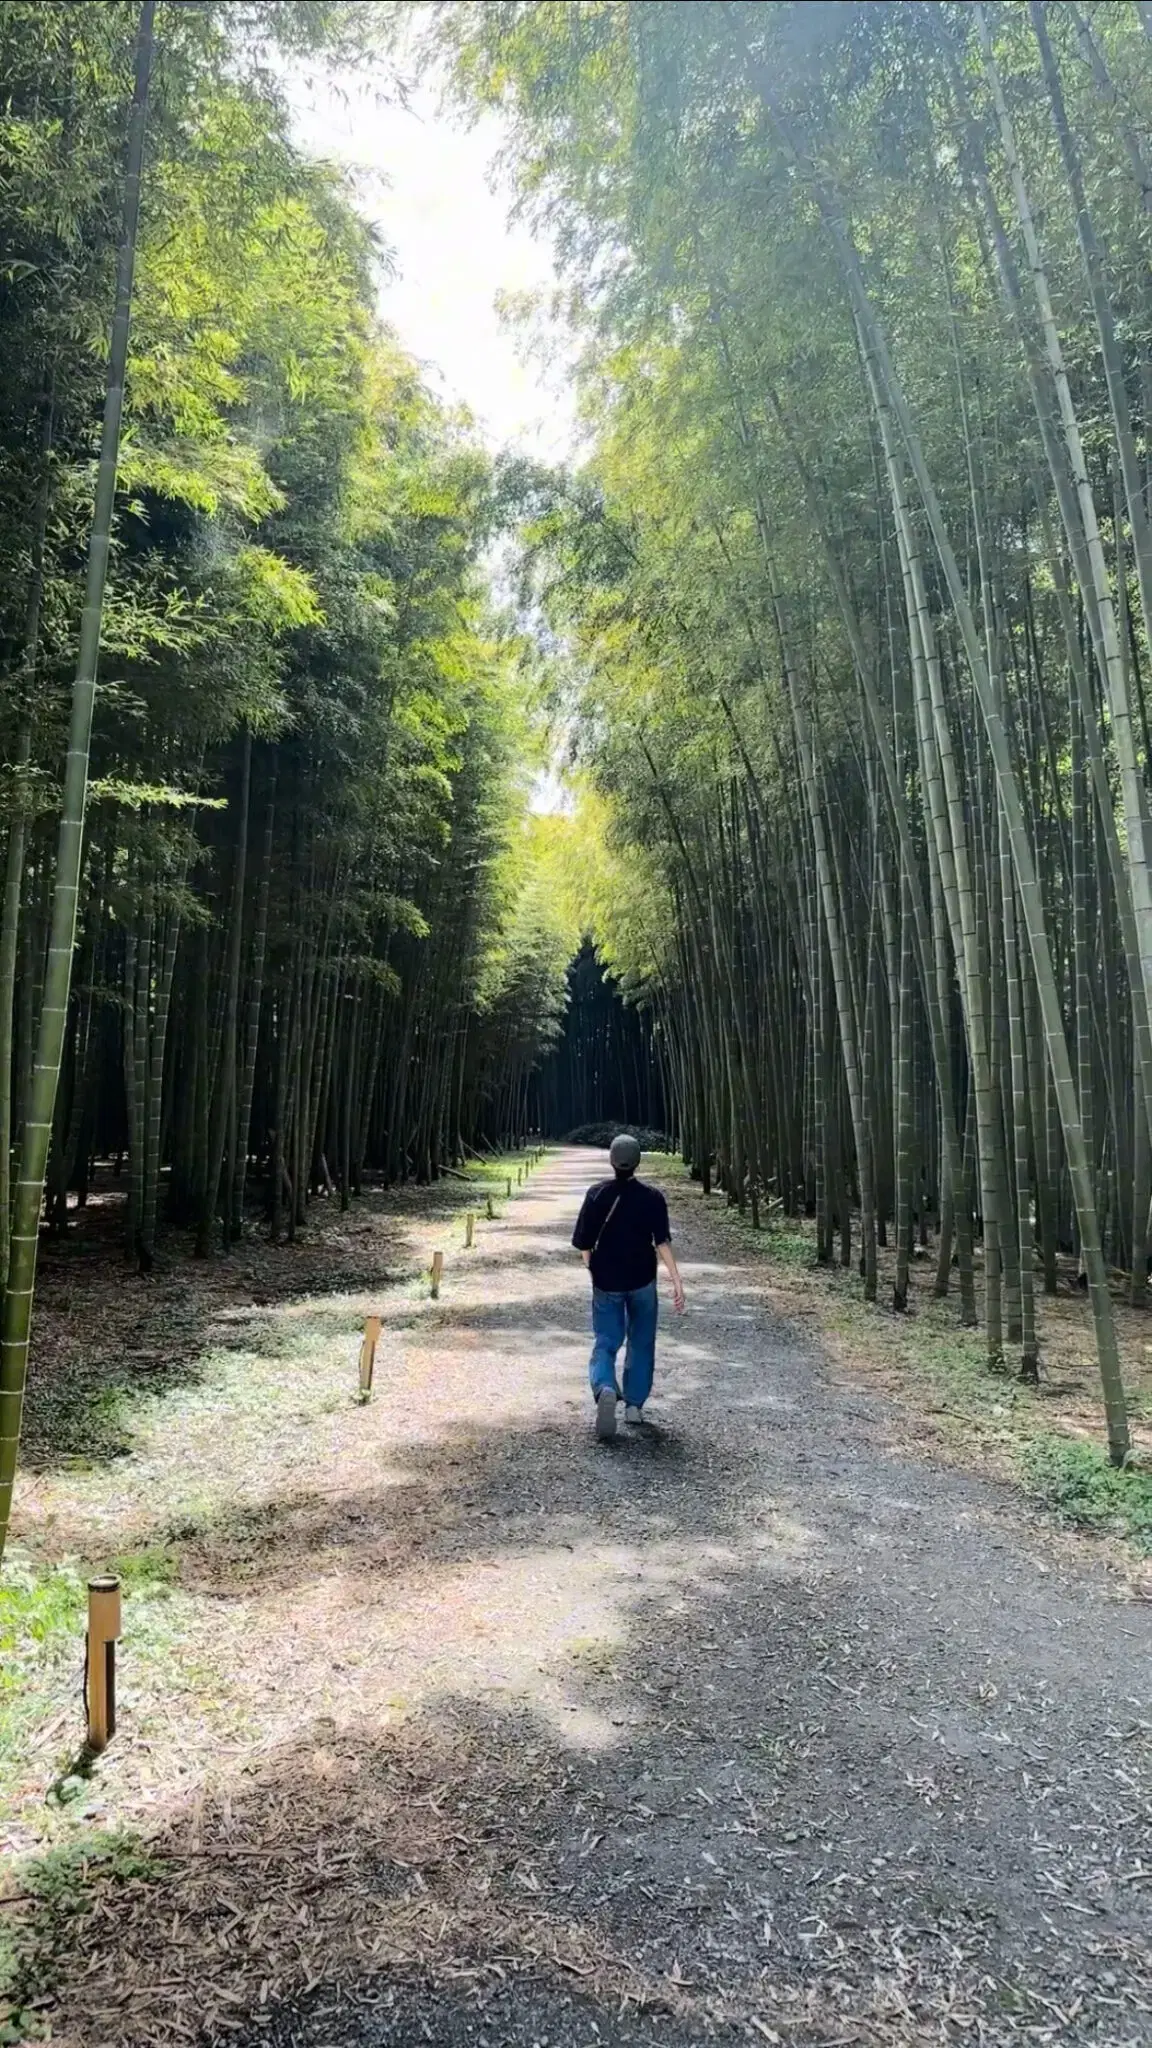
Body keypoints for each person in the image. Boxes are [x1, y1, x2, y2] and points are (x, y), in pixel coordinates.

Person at [571, 1132, 685, 1442]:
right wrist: (676, 1280)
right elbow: (661, 1242)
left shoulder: (596, 1195)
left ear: (612, 1161)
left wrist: (591, 1267)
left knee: (606, 1340)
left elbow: (583, 1244)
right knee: (642, 1340)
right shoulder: (652, 1198)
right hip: (642, 1280)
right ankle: (634, 1406)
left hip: (607, 1280)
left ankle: (605, 1387)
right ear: (637, 1162)